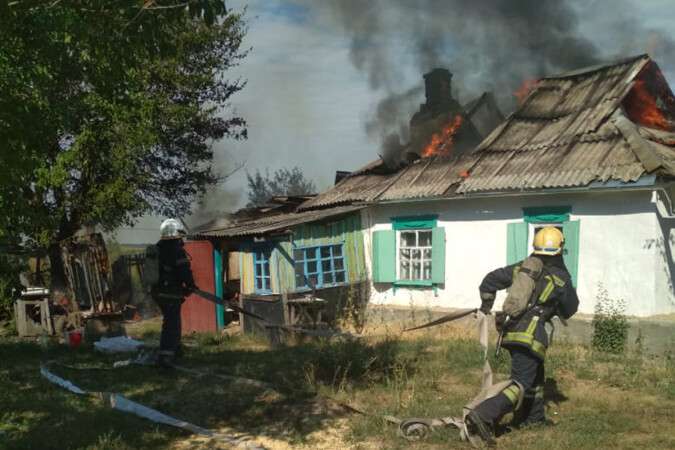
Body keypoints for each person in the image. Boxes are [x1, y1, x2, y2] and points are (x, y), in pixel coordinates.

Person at [466, 226, 579, 445]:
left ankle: (533, 419)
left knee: (535, 378)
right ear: (560, 248)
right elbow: (570, 309)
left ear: (536, 246)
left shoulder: (523, 268)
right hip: (531, 336)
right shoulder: (561, 277)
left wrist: (486, 306)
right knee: (520, 384)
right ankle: (483, 414)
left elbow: (490, 281)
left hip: (512, 331)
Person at [154, 218, 195, 367]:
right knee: (172, 323)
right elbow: (184, 271)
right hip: (170, 292)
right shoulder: (176, 250)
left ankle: (174, 350)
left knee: (171, 321)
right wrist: (191, 285)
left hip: (157, 292)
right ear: (175, 234)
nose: (182, 239)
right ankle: (165, 357)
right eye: (180, 235)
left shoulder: (157, 248)